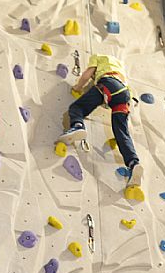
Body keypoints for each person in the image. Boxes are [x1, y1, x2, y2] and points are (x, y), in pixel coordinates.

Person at [58, 52, 143, 187]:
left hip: (109, 84)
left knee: (77, 107)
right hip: (125, 95)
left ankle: (78, 125)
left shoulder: (98, 57)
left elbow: (87, 74)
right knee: (121, 132)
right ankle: (133, 163)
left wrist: (78, 87)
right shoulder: (119, 66)